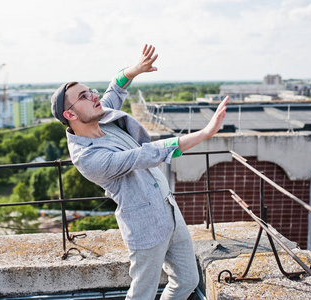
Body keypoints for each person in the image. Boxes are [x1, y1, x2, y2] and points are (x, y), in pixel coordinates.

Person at [51, 44, 228, 300]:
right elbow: (146, 154)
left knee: (188, 280)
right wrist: (205, 133)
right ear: (70, 114)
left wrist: (133, 70)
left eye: (90, 91)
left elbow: (115, 88)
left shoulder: (99, 116)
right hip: (145, 229)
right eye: (83, 96)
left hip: (169, 213)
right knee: (141, 295)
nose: (93, 96)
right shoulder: (88, 156)